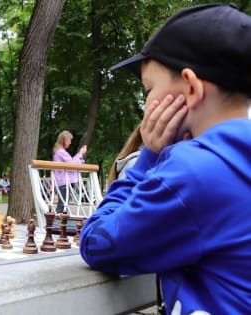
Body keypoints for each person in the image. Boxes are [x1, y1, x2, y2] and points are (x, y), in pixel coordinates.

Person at [79, 4, 251, 315]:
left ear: (191, 88)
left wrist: (147, 158)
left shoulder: (192, 172)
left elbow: (96, 242)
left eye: (149, 88)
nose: (146, 102)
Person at [52, 130, 87, 213]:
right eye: (69, 140)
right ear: (65, 140)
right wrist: (80, 154)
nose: (70, 142)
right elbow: (72, 165)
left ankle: (59, 222)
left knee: (64, 205)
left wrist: (79, 155)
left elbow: (72, 163)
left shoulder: (60, 152)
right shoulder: (61, 153)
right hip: (65, 183)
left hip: (64, 183)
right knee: (62, 206)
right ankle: (56, 223)